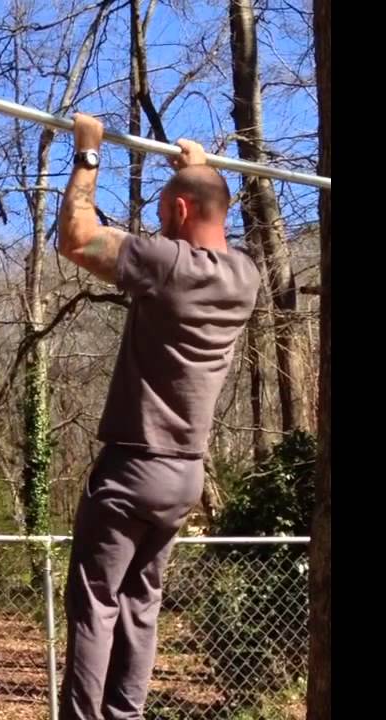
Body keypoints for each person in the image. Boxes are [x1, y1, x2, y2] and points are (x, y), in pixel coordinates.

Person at [55, 112, 260, 719]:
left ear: (175, 213)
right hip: (184, 479)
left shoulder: (167, 265)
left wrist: (89, 155)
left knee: (96, 603)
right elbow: (208, 209)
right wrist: (198, 171)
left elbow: (79, 238)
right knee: (141, 603)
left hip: (132, 469)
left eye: (166, 208)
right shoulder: (245, 276)